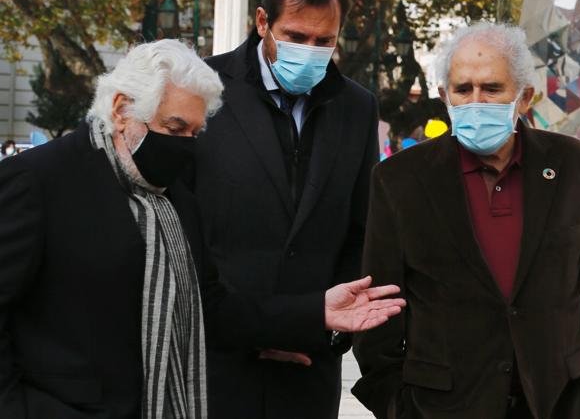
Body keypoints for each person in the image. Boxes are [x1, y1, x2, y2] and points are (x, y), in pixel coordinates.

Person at [0, 40, 403, 419]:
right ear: (121, 110)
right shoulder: (39, 181)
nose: (185, 146)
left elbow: (212, 305)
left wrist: (316, 311)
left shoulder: (176, 198)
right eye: (174, 128)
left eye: (194, 133)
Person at [352, 21, 580, 419]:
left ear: (523, 97)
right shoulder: (399, 180)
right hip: (441, 408)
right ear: (445, 96)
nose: (476, 101)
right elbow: (379, 315)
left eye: (492, 88)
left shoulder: (575, 167)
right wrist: (400, 406)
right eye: (463, 90)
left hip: (556, 402)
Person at [191, 0, 381, 418]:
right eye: (296, 37)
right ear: (263, 22)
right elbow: (183, 230)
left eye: (325, 41)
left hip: (308, 369)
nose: (310, 50)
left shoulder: (356, 108)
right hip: (216, 364)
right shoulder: (201, 89)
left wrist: (329, 333)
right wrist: (253, 329)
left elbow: (363, 229)